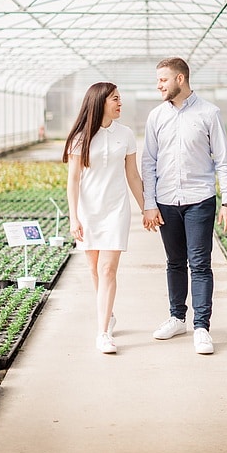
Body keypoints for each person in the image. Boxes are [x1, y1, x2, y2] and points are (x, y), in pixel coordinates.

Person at [141, 57, 227, 355]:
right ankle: (177, 318)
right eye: (158, 80)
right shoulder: (156, 116)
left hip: (200, 200)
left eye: (163, 80)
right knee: (174, 263)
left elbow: (223, 159)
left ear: (180, 79)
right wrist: (149, 204)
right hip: (166, 202)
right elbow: (148, 163)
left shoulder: (209, 113)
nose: (159, 85)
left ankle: (202, 328)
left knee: (200, 264)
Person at [63, 82, 144, 354]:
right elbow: (73, 181)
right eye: (115, 99)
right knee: (94, 269)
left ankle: (102, 334)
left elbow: (132, 175)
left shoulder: (127, 135)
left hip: (116, 210)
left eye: (120, 99)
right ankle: (107, 315)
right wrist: (74, 218)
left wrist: (147, 208)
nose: (120, 104)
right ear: (100, 102)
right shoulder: (80, 137)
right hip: (88, 211)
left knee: (108, 269)